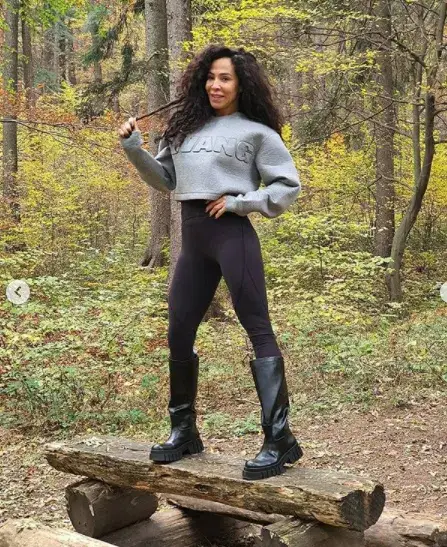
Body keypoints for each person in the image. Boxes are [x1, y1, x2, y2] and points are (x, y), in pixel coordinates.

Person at [118, 44, 303, 480]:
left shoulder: (257, 132)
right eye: (210, 77)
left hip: (232, 236)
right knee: (179, 329)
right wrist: (133, 148)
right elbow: (165, 179)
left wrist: (241, 202)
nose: (215, 85)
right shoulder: (184, 128)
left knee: (257, 327)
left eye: (225, 78)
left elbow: (287, 186)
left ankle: (279, 438)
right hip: (194, 242)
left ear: (242, 85)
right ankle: (184, 431)